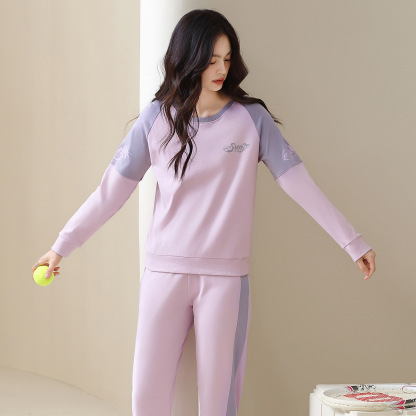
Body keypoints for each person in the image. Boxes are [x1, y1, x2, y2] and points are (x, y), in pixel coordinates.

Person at [32, 8, 376, 416]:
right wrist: (61, 246)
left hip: (225, 281)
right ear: (188, 58)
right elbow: (109, 193)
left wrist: (353, 242)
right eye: (212, 60)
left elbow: (300, 185)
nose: (221, 70)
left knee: (218, 402)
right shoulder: (156, 118)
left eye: (227, 59)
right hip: (163, 275)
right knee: (146, 397)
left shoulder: (251, 119)